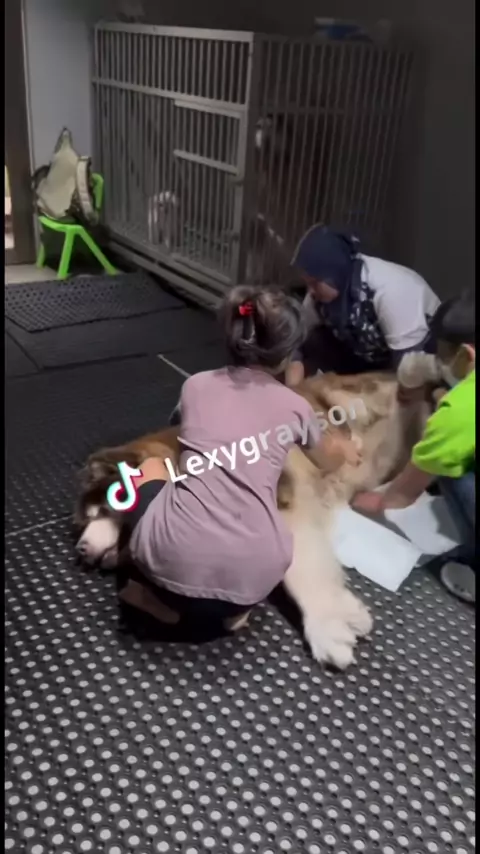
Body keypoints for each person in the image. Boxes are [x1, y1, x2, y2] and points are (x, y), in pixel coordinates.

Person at [118, 285, 362, 631]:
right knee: (266, 532)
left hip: (171, 567)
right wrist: (345, 449)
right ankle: (232, 616)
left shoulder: (196, 387)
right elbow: (326, 461)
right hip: (251, 582)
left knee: (151, 467)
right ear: (286, 356)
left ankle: (154, 600)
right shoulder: (296, 408)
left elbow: (183, 431)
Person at [351, 293, 476, 603]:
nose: (441, 363)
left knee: (452, 471)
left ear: (467, 354)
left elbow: (404, 494)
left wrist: (376, 501)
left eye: (444, 356)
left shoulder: (461, 411)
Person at [285, 224, 440, 392]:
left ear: (334, 274)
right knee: (312, 339)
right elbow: (296, 345)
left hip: (416, 354)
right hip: (372, 356)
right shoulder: (320, 297)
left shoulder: (389, 291)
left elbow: (407, 370)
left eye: (315, 283)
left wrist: (351, 385)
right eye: (307, 283)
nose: (310, 291)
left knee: (408, 382)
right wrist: (292, 393)